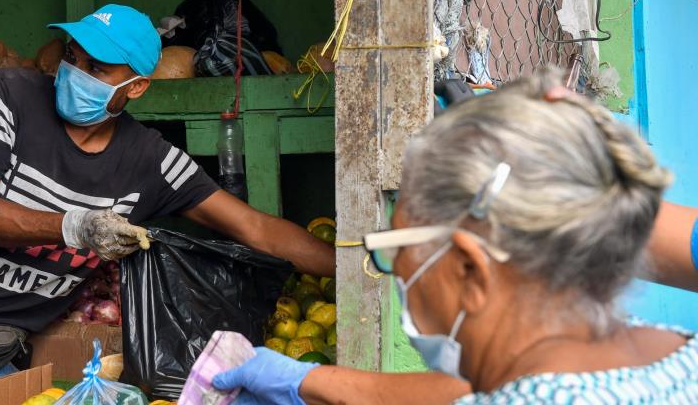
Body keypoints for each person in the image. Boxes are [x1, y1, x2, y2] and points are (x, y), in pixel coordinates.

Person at [0, 4, 336, 404]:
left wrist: (360, 265)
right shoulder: (7, 95)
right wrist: (77, 227)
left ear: (135, 87)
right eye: (73, 57)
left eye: (97, 69)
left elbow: (257, 230)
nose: (75, 74)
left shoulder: (150, 161)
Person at [213, 67, 698, 404]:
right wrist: (314, 383)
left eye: (396, 253)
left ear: (469, 268)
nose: (397, 276)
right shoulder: (676, 354)